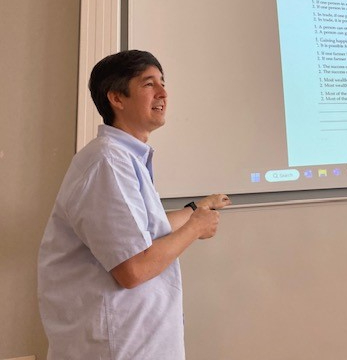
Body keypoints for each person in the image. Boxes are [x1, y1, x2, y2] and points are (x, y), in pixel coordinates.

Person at [37, 50, 231, 359]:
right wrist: (195, 228)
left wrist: (196, 209)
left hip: (135, 344)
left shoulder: (123, 157)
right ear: (116, 97)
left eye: (163, 83)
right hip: (118, 348)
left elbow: (145, 230)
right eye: (149, 84)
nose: (163, 93)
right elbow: (134, 269)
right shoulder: (108, 162)